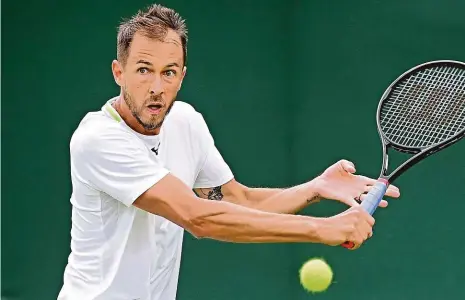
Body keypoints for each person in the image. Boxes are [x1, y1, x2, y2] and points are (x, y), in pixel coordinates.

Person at [57, 3, 400, 300]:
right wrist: (321, 229)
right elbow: (198, 216)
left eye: (169, 72)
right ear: (119, 72)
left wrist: (313, 190)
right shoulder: (99, 139)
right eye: (144, 70)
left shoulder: (186, 123)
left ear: (182, 77)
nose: (157, 87)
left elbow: (238, 201)